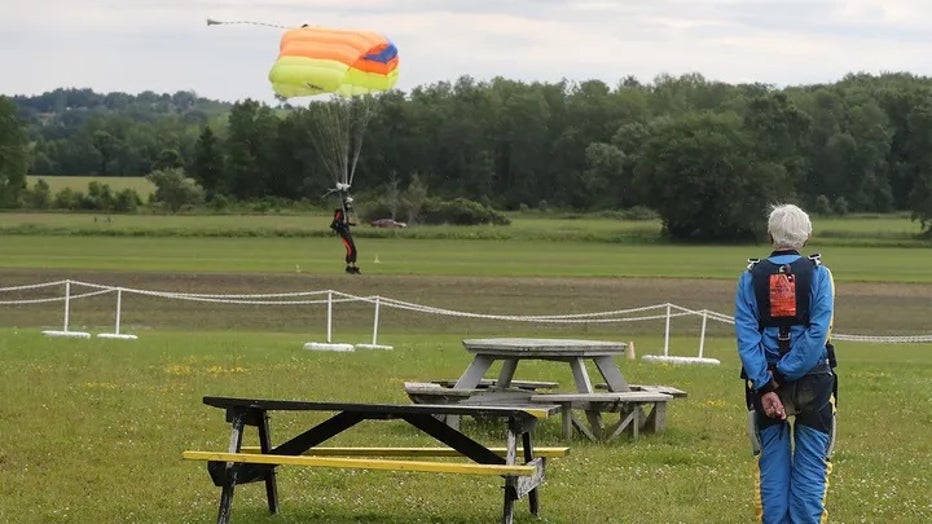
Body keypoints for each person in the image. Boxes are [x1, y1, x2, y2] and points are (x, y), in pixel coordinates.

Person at [734, 203, 837, 523]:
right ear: (806, 237)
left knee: (771, 467)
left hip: (765, 384)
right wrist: (784, 374)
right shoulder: (820, 275)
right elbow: (818, 333)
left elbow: (746, 337)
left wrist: (767, 383)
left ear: (770, 235)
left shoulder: (749, 278)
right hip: (813, 383)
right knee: (812, 465)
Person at [330, 195, 360, 274]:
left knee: (354, 249)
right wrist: (341, 223)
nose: (350, 206)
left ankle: (354, 266)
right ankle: (348, 266)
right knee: (349, 249)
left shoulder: (345, 213)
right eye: (349, 204)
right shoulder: (340, 212)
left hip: (347, 232)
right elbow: (336, 222)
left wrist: (353, 224)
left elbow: (346, 223)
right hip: (343, 233)